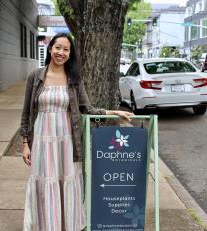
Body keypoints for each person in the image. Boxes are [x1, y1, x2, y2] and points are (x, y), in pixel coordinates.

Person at [20, 33, 133, 231]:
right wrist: (24, 143)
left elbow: (87, 109)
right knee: (45, 180)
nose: (61, 52)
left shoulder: (74, 78)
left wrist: (112, 112)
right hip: (41, 138)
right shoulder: (35, 76)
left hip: (67, 139)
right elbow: (26, 112)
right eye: (58, 48)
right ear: (50, 49)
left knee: (67, 179)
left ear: (70, 54)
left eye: (66, 49)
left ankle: (67, 225)